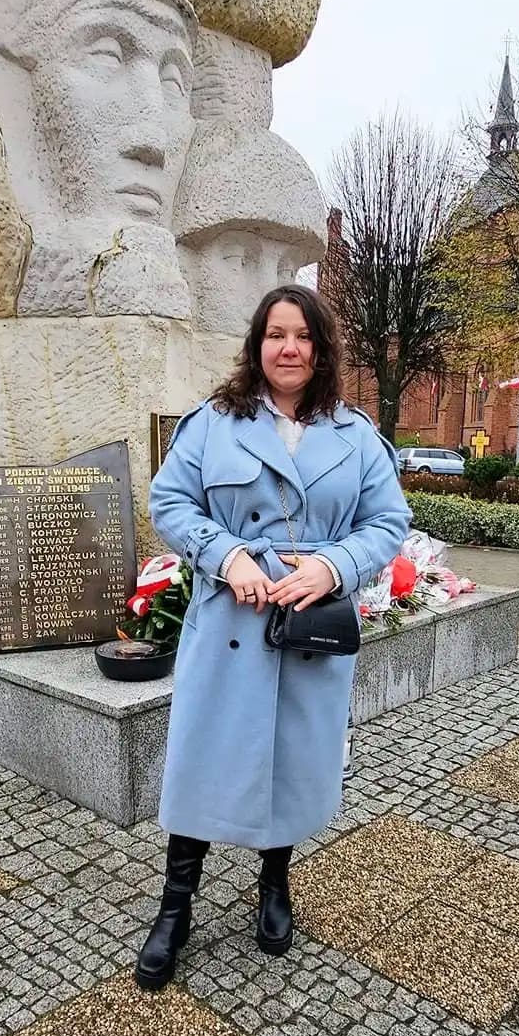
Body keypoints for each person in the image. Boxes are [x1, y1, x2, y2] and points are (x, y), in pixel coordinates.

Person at [137, 285, 410, 991]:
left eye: (302, 336)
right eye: (275, 335)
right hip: (230, 621)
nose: (289, 348)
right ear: (257, 346)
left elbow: (386, 524)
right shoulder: (212, 424)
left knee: (290, 758)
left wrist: (330, 566)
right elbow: (169, 501)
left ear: (321, 350)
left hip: (307, 629)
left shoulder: (356, 437)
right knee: (202, 758)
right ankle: (175, 908)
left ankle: (275, 884)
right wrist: (225, 556)